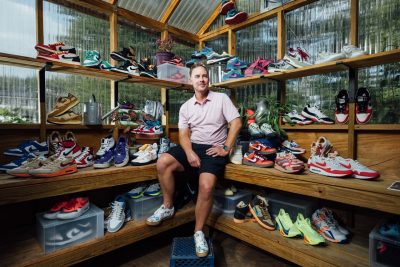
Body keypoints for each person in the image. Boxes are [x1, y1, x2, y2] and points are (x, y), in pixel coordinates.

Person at [146, 62, 242, 257]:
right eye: (197, 76)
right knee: (163, 161)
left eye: (204, 76)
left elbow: (236, 122)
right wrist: (189, 152)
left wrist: (226, 147)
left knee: (206, 187)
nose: (202, 79)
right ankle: (167, 206)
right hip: (193, 145)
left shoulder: (221, 98)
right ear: (191, 80)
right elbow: (183, 135)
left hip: (213, 148)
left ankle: (198, 232)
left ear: (209, 79)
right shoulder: (186, 106)